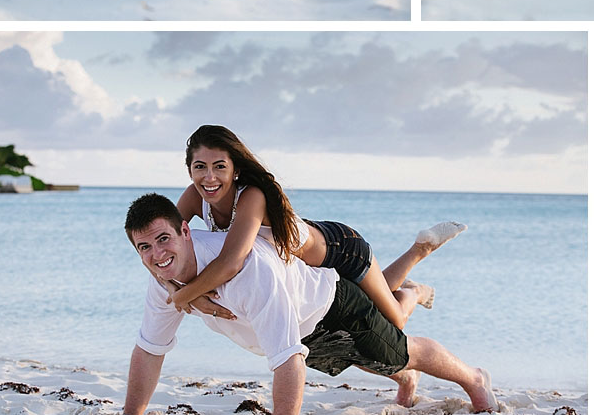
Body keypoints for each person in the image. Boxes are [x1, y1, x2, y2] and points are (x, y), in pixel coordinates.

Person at [121, 193, 497, 415]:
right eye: (145, 247)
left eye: (164, 239)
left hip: (333, 307)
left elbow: (288, 360)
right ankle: (406, 374)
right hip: (303, 326)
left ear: (186, 230)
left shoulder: (248, 269)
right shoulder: (163, 280)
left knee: (400, 351)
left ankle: (474, 378)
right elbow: (150, 350)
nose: (157, 254)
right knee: (359, 359)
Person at [169, 124, 465, 330]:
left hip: (342, 250)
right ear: (189, 169)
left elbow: (231, 262)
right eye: (200, 167)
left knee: (395, 319)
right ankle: (416, 256)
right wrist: (176, 289)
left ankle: (417, 285)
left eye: (219, 166)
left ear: (235, 170)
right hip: (313, 258)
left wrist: (183, 296)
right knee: (374, 298)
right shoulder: (194, 197)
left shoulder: (251, 196)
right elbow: (158, 240)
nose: (209, 177)